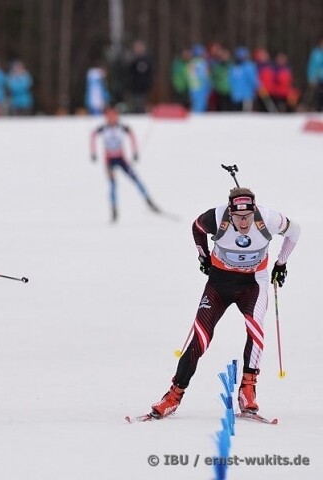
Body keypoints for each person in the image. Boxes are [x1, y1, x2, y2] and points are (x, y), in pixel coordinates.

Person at [149, 187, 300, 419]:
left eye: (248, 216)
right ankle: (173, 396)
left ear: (255, 211)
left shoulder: (269, 219)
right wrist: (203, 255)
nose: (243, 222)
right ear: (230, 212)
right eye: (238, 217)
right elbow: (197, 227)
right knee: (200, 338)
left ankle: (247, 390)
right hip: (219, 283)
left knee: (256, 331)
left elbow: (295, 231)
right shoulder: (217, 217)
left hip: (253, 284)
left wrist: (281, 263)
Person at [89, 106, 159, 222]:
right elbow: (93, 135)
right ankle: (114, 209)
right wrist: (93, 153)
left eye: (113, 115)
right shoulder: (103, 128)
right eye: (109, 116)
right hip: (109, 161)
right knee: (112, 185)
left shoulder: (121, 127)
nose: (111, 118)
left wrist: (135, 151)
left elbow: (131, 135)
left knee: (136, 179)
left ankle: (149, 201)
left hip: (121, 159)